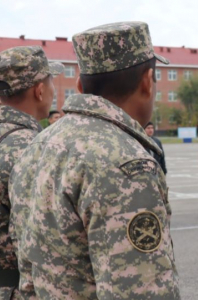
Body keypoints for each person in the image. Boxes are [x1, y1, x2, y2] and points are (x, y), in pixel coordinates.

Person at [9, 22, 180, 298]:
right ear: (148, 81)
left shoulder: (38, 145)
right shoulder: (126, 163)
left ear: (80, 84)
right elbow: (139, 290)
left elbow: (27, 271)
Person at [0, 46, 63, 300]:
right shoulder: (32, 148)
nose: (53, 91)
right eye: (51, 82)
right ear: (39, 90)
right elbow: (46, 244)